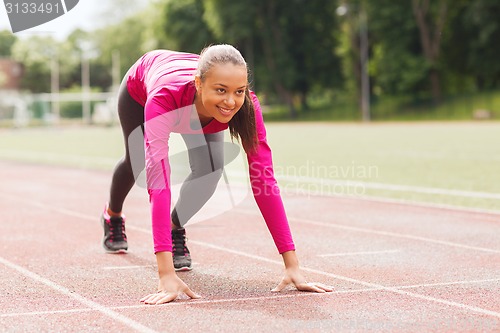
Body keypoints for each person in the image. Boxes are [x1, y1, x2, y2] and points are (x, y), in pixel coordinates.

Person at [101, 44, 333, 305]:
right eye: (221, 90)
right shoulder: (164, 96)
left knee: (210, 170)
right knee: (139, 162)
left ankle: (174, 226)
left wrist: (292, 266)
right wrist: (165, 274)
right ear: (199, 83)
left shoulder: (243, 106)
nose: (231, 101)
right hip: (143, 90)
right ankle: (112, 216)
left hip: (199, 105)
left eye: (239, 91)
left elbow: (264, 179)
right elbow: (159, 180)